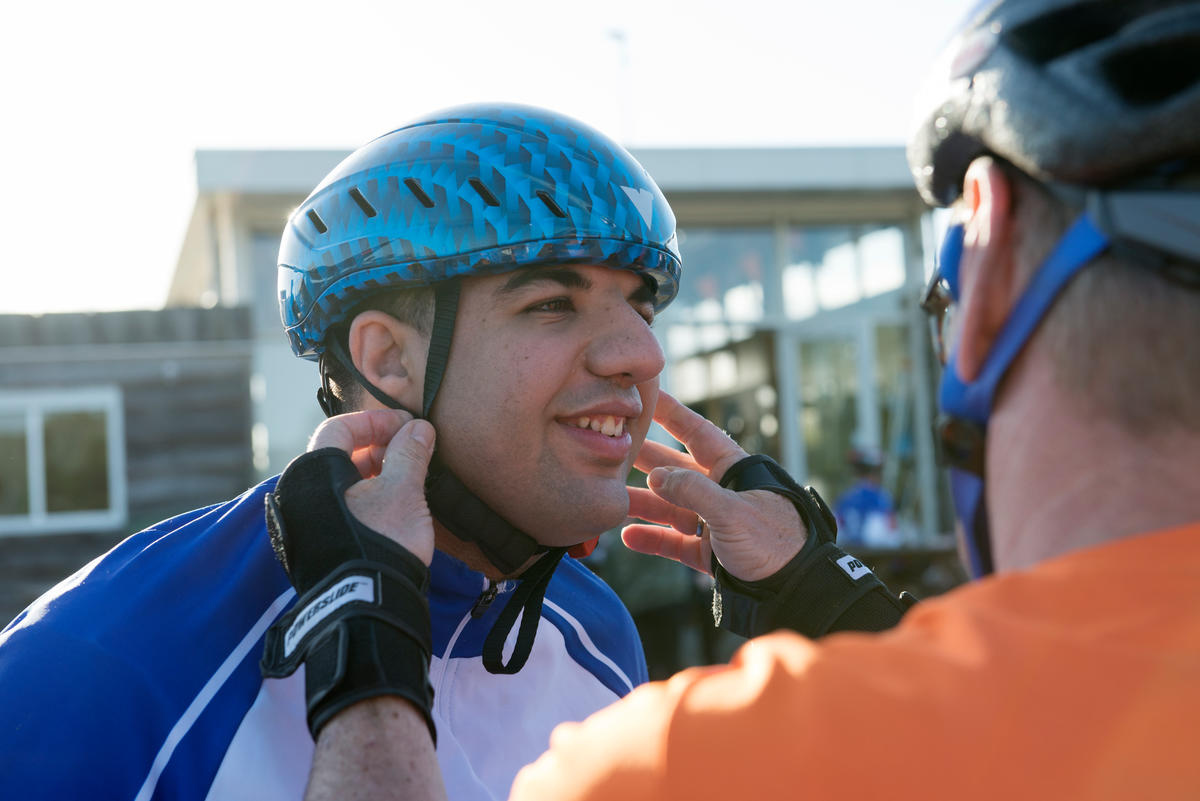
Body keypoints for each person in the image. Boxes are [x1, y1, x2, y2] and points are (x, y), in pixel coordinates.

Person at [504, 1, 1200, 797]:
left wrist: (363, 649)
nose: (640, 353)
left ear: (993, 264)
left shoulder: (679, 768)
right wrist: (822, 594)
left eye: (945, 292)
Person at [0, 103, 682, 801]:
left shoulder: (599, 635)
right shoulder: (96, 665)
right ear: (387, 359)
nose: (642, 352)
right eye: (552, 304)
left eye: (642, 310)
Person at [833, 445, 900, 547]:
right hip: (877, 557)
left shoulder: (844, 498)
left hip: (849, 557)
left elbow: (836, 535)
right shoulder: (881, 498)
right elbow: (890, 537)